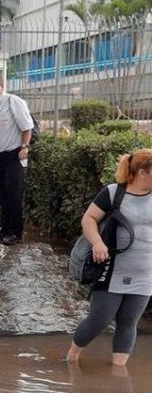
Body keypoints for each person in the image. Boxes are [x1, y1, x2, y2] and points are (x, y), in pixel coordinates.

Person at [66, 149, 152, 367]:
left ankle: (118, 372)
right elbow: (89, 219)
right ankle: (71, 358)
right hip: (112, 269)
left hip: (145, 272)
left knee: (129, 321)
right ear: (143, 172)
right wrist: (97, 243)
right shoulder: (114, 193)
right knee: (99, 320)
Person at [0, 72, 34, 245]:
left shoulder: (13, 102)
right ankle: (4, 229)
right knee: (2, 195)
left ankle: (15, 233)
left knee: (13, 194)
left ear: (2, 85)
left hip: (13, 155)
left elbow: (27, 126)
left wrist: (24, 146)